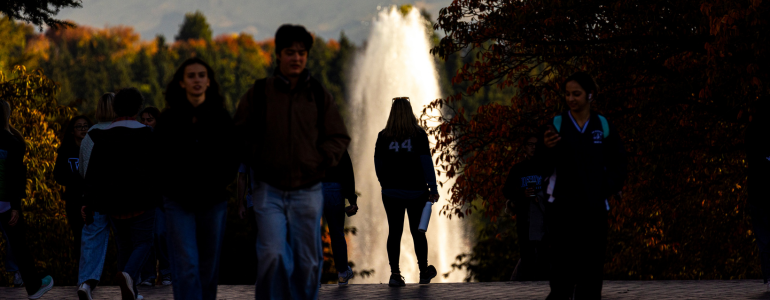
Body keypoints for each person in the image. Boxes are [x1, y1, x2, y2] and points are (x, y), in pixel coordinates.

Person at [234, 24, 350, 300]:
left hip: (308, 189)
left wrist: (319, 161)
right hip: (269, 189)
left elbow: (338, 136)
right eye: (290, 52)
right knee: (272, 255)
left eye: (301, 53)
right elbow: (238, 133)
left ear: (307, 56)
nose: (296, 58)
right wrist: (259, 158)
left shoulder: (319, 95)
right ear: (278, 55)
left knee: (309, 263)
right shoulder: (259, 93)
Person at [155, 58, 236, 300]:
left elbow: (232, 156)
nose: (197, 80)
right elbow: (157, 159)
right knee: (186, 264)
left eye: (202, 75)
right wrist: (167, 190)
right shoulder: (169, 120)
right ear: (182, 82)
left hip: (213, 201)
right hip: (178, 202)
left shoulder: (220, 118)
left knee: (208, 268)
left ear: (209, 81)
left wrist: (219, 182)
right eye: (191, 76)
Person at [542, 72, 627, 299]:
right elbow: (541, 166)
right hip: (562, 207)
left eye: (576, 94)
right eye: (567, 94)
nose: (571, 98)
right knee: (562, 268)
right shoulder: (557, 124)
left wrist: (607, 187)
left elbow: (619, 161)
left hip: (594, 208)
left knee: (591, 268)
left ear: (590, 95)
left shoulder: (603, 125)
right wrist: (546, 150)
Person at [84, 88, 160, 300]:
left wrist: (88, 202)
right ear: (137, 108)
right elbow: (156, 168)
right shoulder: (147, 134)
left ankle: (131, 292)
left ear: (116, 108)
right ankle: (128, 275)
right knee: (144, 242)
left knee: (124, 245)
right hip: (142, 199)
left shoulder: (102, 136)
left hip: (112, 202)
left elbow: (93, 173)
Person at [374, 97, 439, 287]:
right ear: (410, 112)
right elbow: (426, 163)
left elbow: (378, 164)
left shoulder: (383, 136)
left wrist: (384, 183)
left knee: (394, 232)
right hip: (416, 192)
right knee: (418, 232)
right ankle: (424, 271)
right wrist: (433, 188)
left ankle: (395, 274)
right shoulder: (419, 135)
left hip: (391, 192)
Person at [0, 100, 54, 299]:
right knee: (19, 247)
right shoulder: (13, 141)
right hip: (6, 204)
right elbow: (16, 178)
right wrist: (15, 207)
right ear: (7, 116)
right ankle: (34, 286)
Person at [76, 92, 116, 300]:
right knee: (126, 241)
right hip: (120, 197)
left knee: (91, 240)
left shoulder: (90, 135)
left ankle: (86, 282)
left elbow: (82, 170)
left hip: (95, 196)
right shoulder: (123, 132)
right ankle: (134, 281)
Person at [502, 134, 549, 281]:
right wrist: (522, 194)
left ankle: (543, 286)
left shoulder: (546, 167)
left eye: (536, 144)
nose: (533, 147)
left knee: (544, 255)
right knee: (527, 254)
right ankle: (527, 289)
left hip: (544, 217)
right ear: (524, 147)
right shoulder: (518, 169)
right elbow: (506, 190)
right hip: (524, 217)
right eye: (530, 144)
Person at [54, 115, 93, 275]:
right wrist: (76, 178)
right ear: (72, 131)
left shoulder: (93, 148)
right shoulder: (66, 151)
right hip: (73, 200)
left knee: (92, 237)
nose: (83, 129)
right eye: (79, 126)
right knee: (79, 237)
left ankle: (93, 273)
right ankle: (82, 273)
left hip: (91, 199)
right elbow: (58, 175)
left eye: (86, 126)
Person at [138, 105, 171, 287]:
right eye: (142, 120)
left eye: (149, 119)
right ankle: (148, 275)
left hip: (160, 199)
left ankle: (166, 272)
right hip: (144, 198)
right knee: (147, 238)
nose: (145, 123)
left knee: (160, 235)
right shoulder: (138, 141)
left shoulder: (163, 141)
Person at [321, 149, 358, 286]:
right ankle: (342, 273)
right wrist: (352, 200)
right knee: (337, 233)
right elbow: (347, 171)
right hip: (335, 190)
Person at [747, 98, 770, 291]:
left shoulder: (752, 130)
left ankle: (768, 275)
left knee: (764, 239)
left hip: (757, 194)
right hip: (762, 194)